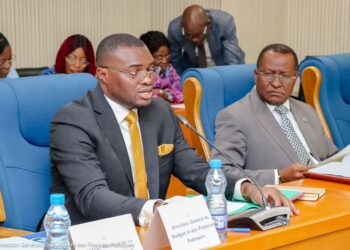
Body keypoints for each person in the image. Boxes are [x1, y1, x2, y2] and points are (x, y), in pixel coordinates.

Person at [50, 34, 298, 226]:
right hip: (92, 234)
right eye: (134, 72)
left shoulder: (160, 112)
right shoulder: (74, 121)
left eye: (150, 69)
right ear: (102, 75)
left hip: (151, 232)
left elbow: (196, 170)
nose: (148, 79)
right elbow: (92, 196)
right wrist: (157, 210)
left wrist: (246, 188)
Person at [211, 43, 338, 186]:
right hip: (286, 196)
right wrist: (279, 176)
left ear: (295, 78)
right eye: (268, 74)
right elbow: (222, 172)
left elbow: (332, 156)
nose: (276, 83)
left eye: (284, 76)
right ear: (256, 75)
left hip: (328, 189)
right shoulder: (234, 116)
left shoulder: (306, 110)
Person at [168, 4, 245, 74]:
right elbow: (175, 62)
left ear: (208, 25)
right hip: (194, 70)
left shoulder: (224, 23)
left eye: (199, 35)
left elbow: (233, 63)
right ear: (182, 27)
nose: (195, 40)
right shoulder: (175, 29)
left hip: (222, 67)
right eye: (189, 35)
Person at [140, 31, 183, 104]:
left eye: (167, 56)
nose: (164, 61)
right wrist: (161, 92)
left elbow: (180, 90)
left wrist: (167, 94)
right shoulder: (141, 73)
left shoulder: (170, 69)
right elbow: (141, 93)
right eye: (159, 58)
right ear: (147, 56)